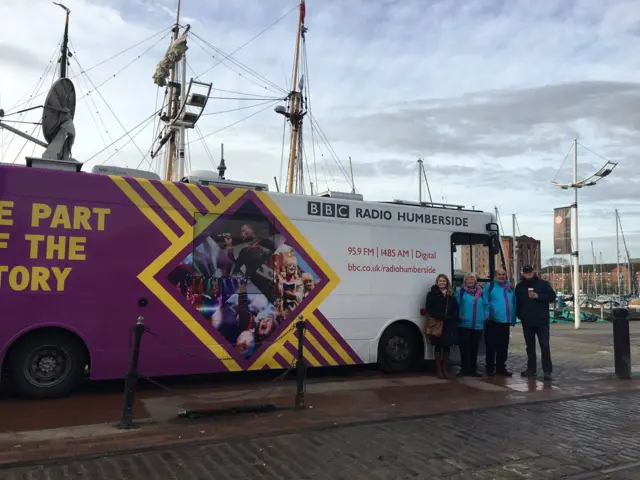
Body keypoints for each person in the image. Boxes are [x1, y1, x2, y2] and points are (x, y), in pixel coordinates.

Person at [515, 265, 557, 381]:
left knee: (544, 346)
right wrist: (520, 315)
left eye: (530, 272)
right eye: (526, 272)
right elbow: (517, 303)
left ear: (533, 272)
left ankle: (547, 371)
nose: (528, 274)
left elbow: (552, 296)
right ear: (523, 274)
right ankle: (531, 369)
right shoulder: (519, 287)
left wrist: (538, 296)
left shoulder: (543, 284)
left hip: (542, 322)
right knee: (530, 347)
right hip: (527, 322)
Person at [483, 268, 517, 377]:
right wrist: (487, 315)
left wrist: (512, 318)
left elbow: (513, 302)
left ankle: (501, 368)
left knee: (503, 347)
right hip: (493, 321)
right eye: (499, 274)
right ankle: (490, 368)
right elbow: (485, 301)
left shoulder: (509, 288)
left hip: (505, 322)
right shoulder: (490, 286)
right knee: (491, 346)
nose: (501, 276)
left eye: (503, 274)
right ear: (495, 275)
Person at [425, 273, 459, 379]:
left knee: (447, 347)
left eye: (444, 281)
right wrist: (442, 316)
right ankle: (439, 370)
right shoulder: (431, 294)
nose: (442, 283)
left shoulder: (451, 294)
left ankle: (445, 370)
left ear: (447, 283)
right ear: (437, 282)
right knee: (438, 346)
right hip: (438, 323)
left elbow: (455, 308)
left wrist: (452, 317)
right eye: (440, 281)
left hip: (448, 324)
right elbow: (430, 309)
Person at [456, 273, 488, 377]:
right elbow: (456, 305)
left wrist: (485, 315)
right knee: (464, 348)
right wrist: (459, 314)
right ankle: (464, 369)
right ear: (465, 281)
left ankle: (473, 370)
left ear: (475, 281)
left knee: (474, 348)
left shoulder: (481, 292)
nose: (470, 280)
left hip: (478, 324)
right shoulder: (460, 292)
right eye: (468, 279)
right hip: (464, 324)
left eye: (472, 279)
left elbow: (486, 305)